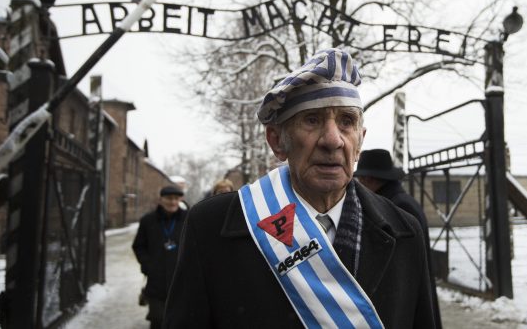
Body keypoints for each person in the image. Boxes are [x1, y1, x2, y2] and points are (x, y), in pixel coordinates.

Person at [163, 48, 436, 328]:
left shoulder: (405, 232)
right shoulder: (211, 227)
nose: (333, 140)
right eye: (312, 120)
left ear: (360, 142)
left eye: (346, 121)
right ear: (277, 141)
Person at [354, 148, 442, 329]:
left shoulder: (397, 206)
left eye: (361, 179)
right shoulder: (400, 200)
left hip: (403, 293)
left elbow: (399, 267)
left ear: (369, 179)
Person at [133, 185, 187, 329]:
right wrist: (148, 265)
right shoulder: (148, 221)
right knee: (158, 319)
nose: (173, 202)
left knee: (180, 320)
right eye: (169, 198)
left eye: (176, 198)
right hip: (157, 280)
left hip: (181, 278)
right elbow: (139, 246)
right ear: (161, 199)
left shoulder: (187, 219)